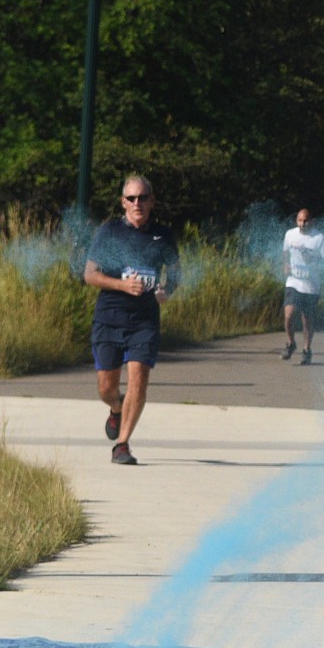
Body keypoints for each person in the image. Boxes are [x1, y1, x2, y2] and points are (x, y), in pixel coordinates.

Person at [83, 175, 180, 466]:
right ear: (123, 202)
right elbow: (90, 275)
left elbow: (175, 274)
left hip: (144, 321)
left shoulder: (163, 236)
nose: (137, 203)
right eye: (131, 198)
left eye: (142, 198)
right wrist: (123, 285)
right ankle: (116, 408)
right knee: (106, 388)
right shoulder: (109, 231)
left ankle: (122, 445)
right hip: (109, 317)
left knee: (139, 378)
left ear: (152, 201)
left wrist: (167, 290)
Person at [282, 208, 324, 365]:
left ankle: (307, 349)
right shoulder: (290, 234)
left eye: (306, 221)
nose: (302, 224)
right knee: (289, 314)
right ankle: (290, 343)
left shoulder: (319, 238)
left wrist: (313, 260)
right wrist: (285, 265)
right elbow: (285, 252)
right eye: (300, 220)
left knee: (307, 320)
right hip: (293, 282)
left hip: (311, 286)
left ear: (312, 221)